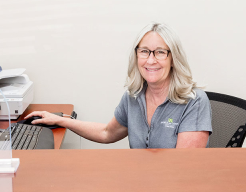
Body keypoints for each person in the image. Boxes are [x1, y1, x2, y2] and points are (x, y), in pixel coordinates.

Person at [24, 23, 212, 148]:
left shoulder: (194, 102)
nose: (151, 60)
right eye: (145, 51)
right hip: (140, 187)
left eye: (161, 52)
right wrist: (61, 120)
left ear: (173, 58)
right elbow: (107, 133)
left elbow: (183, 168)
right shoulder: (134, 96)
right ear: (136, 55)